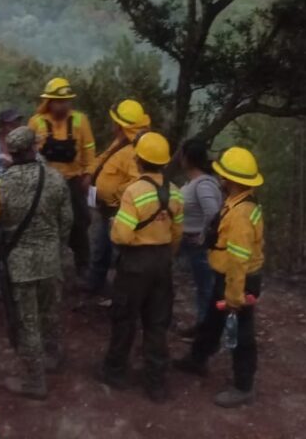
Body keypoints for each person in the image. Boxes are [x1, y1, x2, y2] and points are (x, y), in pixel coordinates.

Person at [0, 126, 72, 399]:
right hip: (51, 260)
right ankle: (53, 356)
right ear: (34, 149)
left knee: (28, 322)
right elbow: (67, 222)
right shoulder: (55, 178)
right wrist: (57, 246)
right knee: (50, 311)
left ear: (11, 153)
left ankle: (35, 380)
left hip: (20, 266)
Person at [174, 146, 265, 409]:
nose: (220, 180)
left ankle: (243, 385)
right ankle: (197, 358)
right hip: (226, 276)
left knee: (241, 333)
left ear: (233, 181)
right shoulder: (239, 202)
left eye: (224, 176)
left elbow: (238, 260)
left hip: (239, 280)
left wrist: (235, 296)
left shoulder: (240, 215)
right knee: (213, 322)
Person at [99, 132, 183, 403]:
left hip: (136, 262)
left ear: (139, 160)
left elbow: (122, 236)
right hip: (162, 261)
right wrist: (165, 253)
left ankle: (115, 371)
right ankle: (156, 383)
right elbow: (177, 233)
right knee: (157, 322)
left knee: (124, 316)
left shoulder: (133, 191)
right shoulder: (175, 192)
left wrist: (114, 229)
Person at [29, 78, 96, 280]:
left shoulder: (80, 120)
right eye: (59, 101)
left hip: (73, 181)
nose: (64, 104)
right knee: (45, 224)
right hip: (46, 184)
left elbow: (89, 150)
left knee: (80, 223)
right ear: (49, 101)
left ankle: (82, 266)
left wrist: (88, 174)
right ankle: (47, 268)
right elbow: (28, 153)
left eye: (67, 100)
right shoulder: (36, 122)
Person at [85, 99, 151, 294]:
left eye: (115, 122)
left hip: (119, 211)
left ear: (121, 125)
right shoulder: (120, 142)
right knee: (100, 249)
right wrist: (90, 175)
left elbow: (138, 181)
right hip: (105, 208)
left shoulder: (134, 151)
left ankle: (122, 295)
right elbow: (102, 159)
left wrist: (113, 195)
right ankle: (95, 287)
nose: (112, 125)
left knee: (118, 253)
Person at [177, 138, 224, 339]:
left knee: (206, 287)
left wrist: (203, 237)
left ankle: (205, 331)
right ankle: (203, 327)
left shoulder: (203, 185)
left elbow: (213, 214)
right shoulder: (194, 183)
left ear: (188, 158)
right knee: (203, 286)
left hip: (197, 243)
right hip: (186, 240)